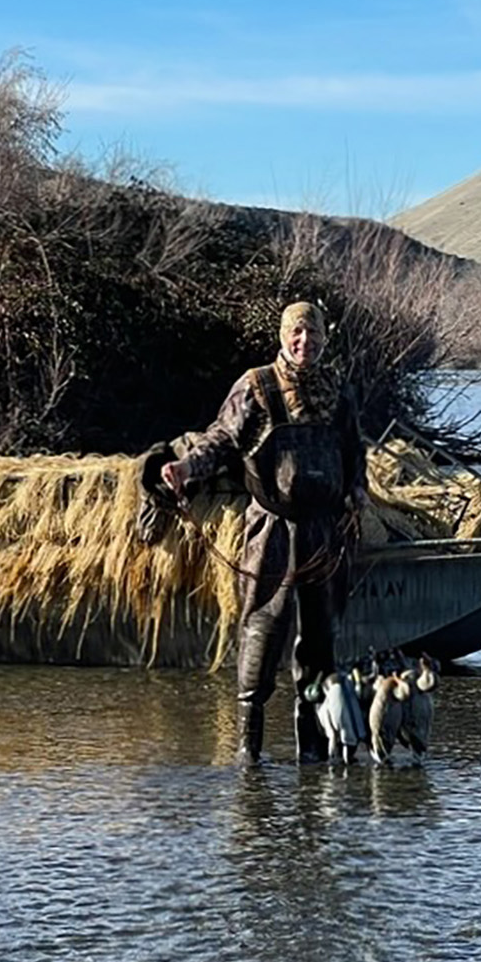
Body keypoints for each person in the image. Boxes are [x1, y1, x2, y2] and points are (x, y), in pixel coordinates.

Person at [161, 301, 368, 763]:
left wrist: (357, 492)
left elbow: (355, 451)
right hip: (272, 528)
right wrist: (186, 468)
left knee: (320, 638)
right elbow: (220, 439)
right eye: (297, 334)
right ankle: (247, 749)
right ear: (282, 335)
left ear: (323, 339)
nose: (305, 344)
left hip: (325, 531)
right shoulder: (256, 386)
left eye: (313, 336)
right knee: (263, 627)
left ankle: (314, 748)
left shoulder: (339, 391)